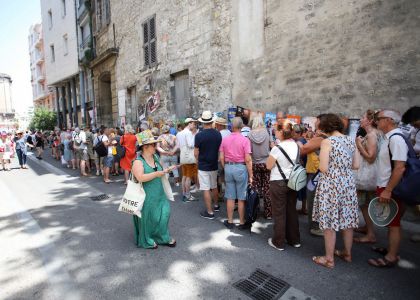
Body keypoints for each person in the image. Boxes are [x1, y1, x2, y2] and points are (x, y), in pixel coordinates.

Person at [312, 114, 360, 269]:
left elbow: (323, 168)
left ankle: (329, 259)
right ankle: (347, 253)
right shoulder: (351, 140)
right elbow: (356, 165)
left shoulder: (327, 142)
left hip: (331, 184)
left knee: (329, 222)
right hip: (348, 183)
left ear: (326, 127)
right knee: (346, 220)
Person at [368, 109, 408, 268]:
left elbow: (400, 168)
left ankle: (391, 256)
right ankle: (390, 250)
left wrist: (388, 189)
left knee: (394, 224)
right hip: (386, 185)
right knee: (392, 222)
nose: (376, 121)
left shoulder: (396, 139)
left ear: (389, 120)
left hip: (391, 187)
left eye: (379, 118)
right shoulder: (389, 137)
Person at [131, 130, 176, 249]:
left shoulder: (155, 157)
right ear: (145, 147)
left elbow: (159, 172)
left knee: (164, 214)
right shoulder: (138, 162)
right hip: (146, 196)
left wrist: (166, 171)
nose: (156, 146)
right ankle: (147, 240)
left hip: (159, 193)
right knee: (148, 218)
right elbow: (140, 177)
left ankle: (162, 237)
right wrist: (157, 174)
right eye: (153, 145)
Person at [266, 120, 301, 250]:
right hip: (293, 181)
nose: (274, 131)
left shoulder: (277, 148)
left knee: (279, 212)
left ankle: (278, 242)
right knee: (291, 210)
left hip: (278, 181)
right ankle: (294, 240)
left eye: (276, 129)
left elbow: (269, 166)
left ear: (281, 131)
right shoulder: (296, 145)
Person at [353, 110, 381, 244]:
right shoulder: (373, 134)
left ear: (370, 121)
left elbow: (370, 157)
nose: (360, 119)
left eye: (363, 117)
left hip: (367, 174)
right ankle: (367, 228)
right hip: (368, 173)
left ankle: (370, 234)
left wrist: (359, 145)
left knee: (364, 204)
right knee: (366, 202)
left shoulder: (371, 135)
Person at [220, 117, 252, 228]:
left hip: (229, 167)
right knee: (241, 197)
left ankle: (230, 221)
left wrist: (226, 167)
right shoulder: (245, 140)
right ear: (241, 126)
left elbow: (221, 157)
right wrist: (251, 175)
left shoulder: (225, 139)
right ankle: (242, 222)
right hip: (240, 168)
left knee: (230, 196)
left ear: (232, 127)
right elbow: (248, 159)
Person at [299, 115, 327, 236]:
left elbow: (304, 149)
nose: (315, 123)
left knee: (313, 198)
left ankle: (316, 226)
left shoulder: (320, 138)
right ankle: (317, 225)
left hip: (316, 174)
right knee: (314, 197)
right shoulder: (324, 138)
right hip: (317, 172)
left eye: (317, 121)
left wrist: (301, 143)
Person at [195, 111, 222, 219]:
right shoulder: (217, 134)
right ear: (211, 121)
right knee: (214, 186)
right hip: (214, 164)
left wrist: (197, 161)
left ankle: (210, 212)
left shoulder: (199, 136)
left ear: (202, 122)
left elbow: (196, 153)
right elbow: (219, 150)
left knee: (206, 188)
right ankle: (216, 205)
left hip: (203, 165)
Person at [248, 115, 272, 219]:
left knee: (255, 188)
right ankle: (268, 213)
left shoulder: (250, 134)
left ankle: (255, 211)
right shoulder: (267, 132)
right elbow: (271, 145)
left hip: (254, 163)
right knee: (267, 188)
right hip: (266, 162)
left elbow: (249, 150)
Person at [177, 118, 198, 202]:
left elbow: (179, 146)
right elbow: (190, 144)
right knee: (188, 177)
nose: (194, 125)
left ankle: (184, 193)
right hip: (189, 157)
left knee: (184, 176)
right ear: (189, 123)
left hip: (183, 156)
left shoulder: (179, 133)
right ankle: (188, 195)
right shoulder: (189, 133)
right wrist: (195, 135)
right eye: (193, 123)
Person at [293, 124, 308, 215]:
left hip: (299, 167)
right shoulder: (304, 141)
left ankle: (294, 209)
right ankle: (303, 208)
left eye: (293, 132)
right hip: (305, 167)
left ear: (298, 133)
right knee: (303, 188)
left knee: (295, 188)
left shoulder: (299, 142)